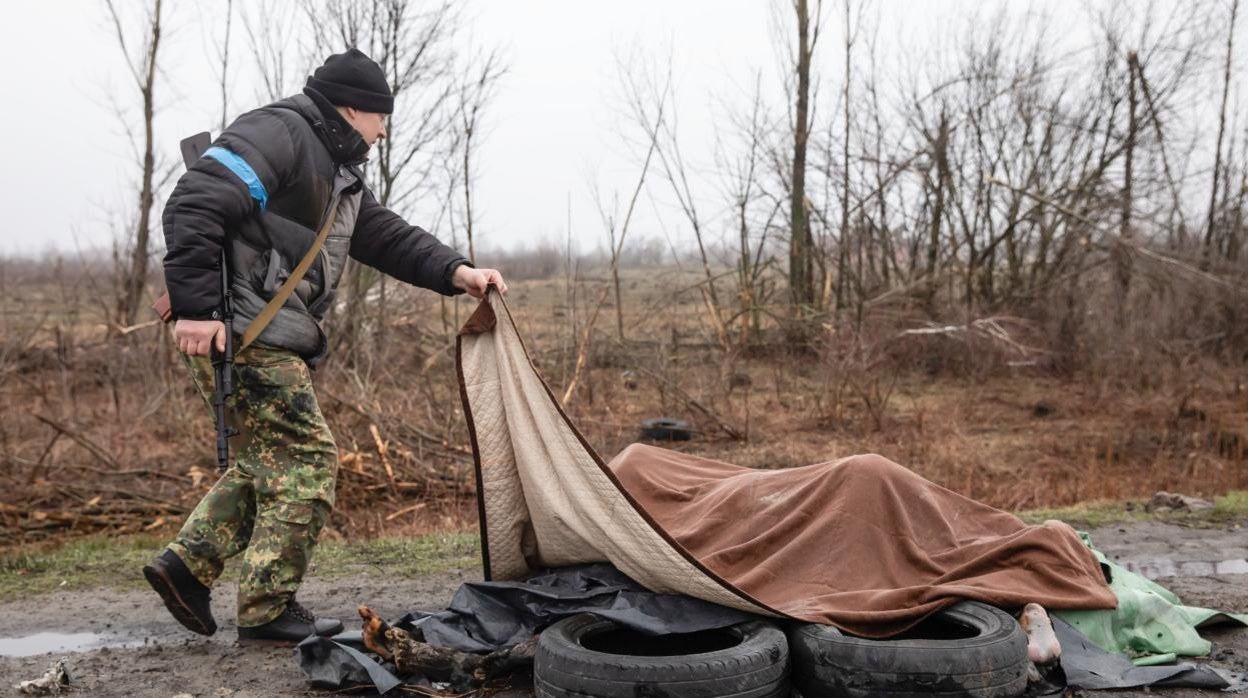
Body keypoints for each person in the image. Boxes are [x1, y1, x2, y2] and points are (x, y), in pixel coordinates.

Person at [143, 48, 507, 644]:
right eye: (381, 117)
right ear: (352, 108)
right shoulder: (282, 131)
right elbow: (195, 201)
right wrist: (196, 309)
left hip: (264, 332)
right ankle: (265, 608)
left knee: (271, 460)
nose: (386, 129)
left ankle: (187, 568)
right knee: (307, 459)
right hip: (242, 330)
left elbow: (385, 236)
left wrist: (456, 272)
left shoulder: (336, 169)